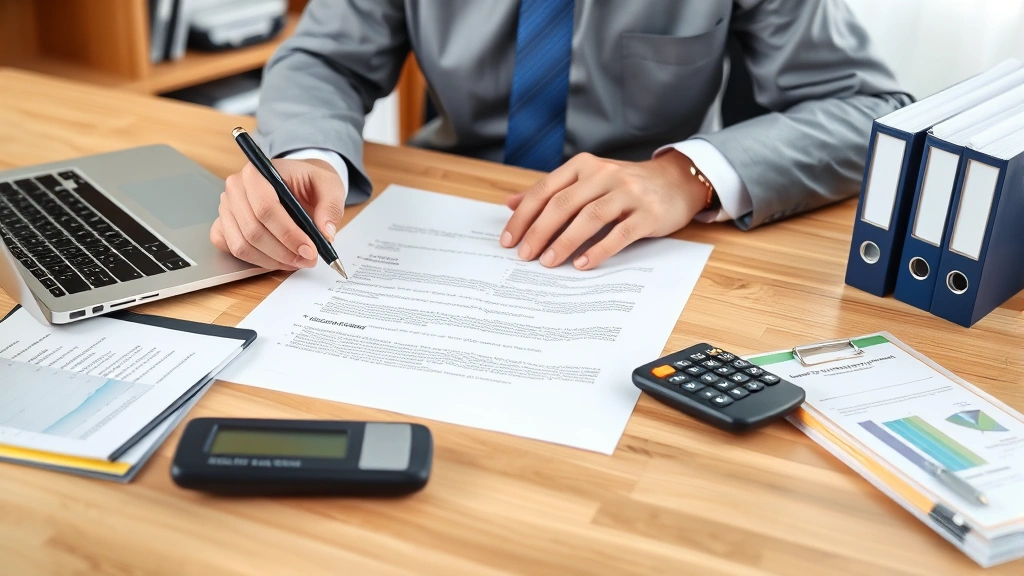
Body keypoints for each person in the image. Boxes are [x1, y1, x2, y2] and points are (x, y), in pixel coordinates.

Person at [210, 0, 909, 272]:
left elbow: (871, 109)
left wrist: (684, 176)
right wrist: (309, 155)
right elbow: (325, 57)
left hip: (647, 242)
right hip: (446, 214)